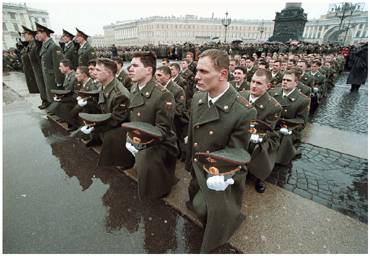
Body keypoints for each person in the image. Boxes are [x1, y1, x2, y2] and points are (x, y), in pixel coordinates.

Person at [185, 49, 256, 253]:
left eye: (204, 71)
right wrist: (189, 161)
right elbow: (193, 133)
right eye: (197, 70)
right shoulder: (198, 98)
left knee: (205, 210)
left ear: (223, 74)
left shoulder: (244, 110)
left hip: (219, 171)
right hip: (197, 168)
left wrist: (223, 175)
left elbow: (237, 153)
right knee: (194, 200)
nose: (197, 76)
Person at [126, 51, 178, 199]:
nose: (130, 69)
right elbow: (133, 117)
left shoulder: (163, 94)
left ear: (149, 70)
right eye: (130, 65)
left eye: (135, 65)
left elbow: (162, 131)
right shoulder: (134, 87)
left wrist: (139, 142)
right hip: (141, 137)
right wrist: (130, 136)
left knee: (145, 161)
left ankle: (162, 186)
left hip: (161, 143)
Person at [79, 58, 132, 167]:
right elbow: (101, 106)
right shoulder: (104, 85)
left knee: (111, 135)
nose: (94, 72)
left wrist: (96, 126)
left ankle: (124, 159)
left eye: (98, 70)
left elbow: (116, 120)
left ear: (108, 73)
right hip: (110, 117)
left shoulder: (120, 94)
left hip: (122, 126)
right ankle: (97, 140)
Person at [239, 69, 282, 193]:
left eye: (258, 83)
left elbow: (268, 128)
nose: (253, 86)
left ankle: (260, 176)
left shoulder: (274, 106)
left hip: (262, 134)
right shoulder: (241, 95)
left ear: (268, 86)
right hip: (241, 129)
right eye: (252, 81)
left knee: (261, 147)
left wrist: (257, 135)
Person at [269, 69, 310, 165]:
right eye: (283, 80)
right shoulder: (272, 92)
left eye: (288, 80)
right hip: (272, 124)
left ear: (296, 83)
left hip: (289, 128)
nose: (284, 82)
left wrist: (289, 127)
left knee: (284, 137)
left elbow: (302, 121)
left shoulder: (303, 100)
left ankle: (277, 162)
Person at [155, 65, 188, 161]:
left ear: (168, 76)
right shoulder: (157, 87)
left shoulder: (177, 90)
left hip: (177, 120)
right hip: (163, 118)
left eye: (160, 75)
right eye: (156, 75)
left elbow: (179, 109)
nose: (157, 77)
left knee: (177, 140)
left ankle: (178, 154)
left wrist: (164, 113)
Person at [35, 22, 64, 105]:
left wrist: (59, 81)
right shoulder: (44, 45)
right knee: (51, 98)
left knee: (56, 99)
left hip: (53, 78)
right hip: (47, 76)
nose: (37, 35)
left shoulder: (53, 46)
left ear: (44, 33)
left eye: (38, 33)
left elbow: (58, 65)